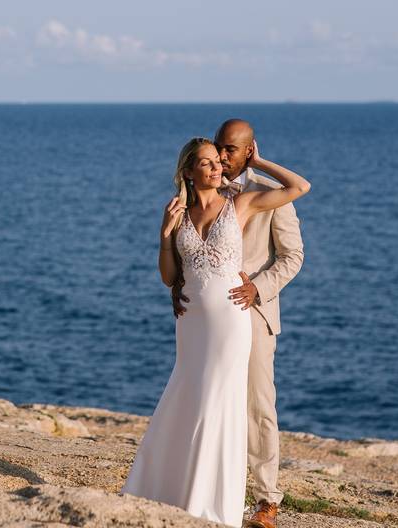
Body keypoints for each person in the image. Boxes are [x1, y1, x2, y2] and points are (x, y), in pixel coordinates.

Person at [121, 135, 309, 527]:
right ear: (188, 171)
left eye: (218, 161)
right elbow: (170, 276)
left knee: (222, 402)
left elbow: (299, 188)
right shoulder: (179, 213)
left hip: (231, 320)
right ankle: (170, 487)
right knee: (186, 395)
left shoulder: (241, 203)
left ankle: (215, 501)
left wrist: (262, 160)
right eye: (206, 162)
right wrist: (164, 235)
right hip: (191, 324)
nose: (217, 167)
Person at [176, 119, 305, 528]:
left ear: (249, 151)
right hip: (206, 319)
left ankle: (267, 501)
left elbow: (293, 256)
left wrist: (259, 288)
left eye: (231, 150)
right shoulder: (202, 190)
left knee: (257, 407)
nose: (223, 156)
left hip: (253, 314)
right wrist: (177, 286)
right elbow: (187, 250)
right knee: (205, 398)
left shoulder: (266, 195)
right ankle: (206, 488)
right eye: (219, 148)